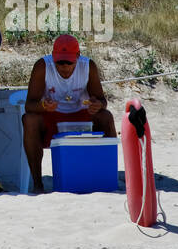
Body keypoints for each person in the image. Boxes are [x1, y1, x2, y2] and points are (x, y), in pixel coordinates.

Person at [22, 33, 115, 193]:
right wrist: (43, 105)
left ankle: (108, 176)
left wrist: (97, 105)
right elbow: (29, 105)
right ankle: (38, 184)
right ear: (53, 57)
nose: (64, 67)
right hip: (52, 117)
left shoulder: (88, 67)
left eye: (69, 62)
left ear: (78, 57)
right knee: (29, 120)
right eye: (60, 62)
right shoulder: (42, 66)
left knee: (106, 117)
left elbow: (102, 101)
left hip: (81, 116)